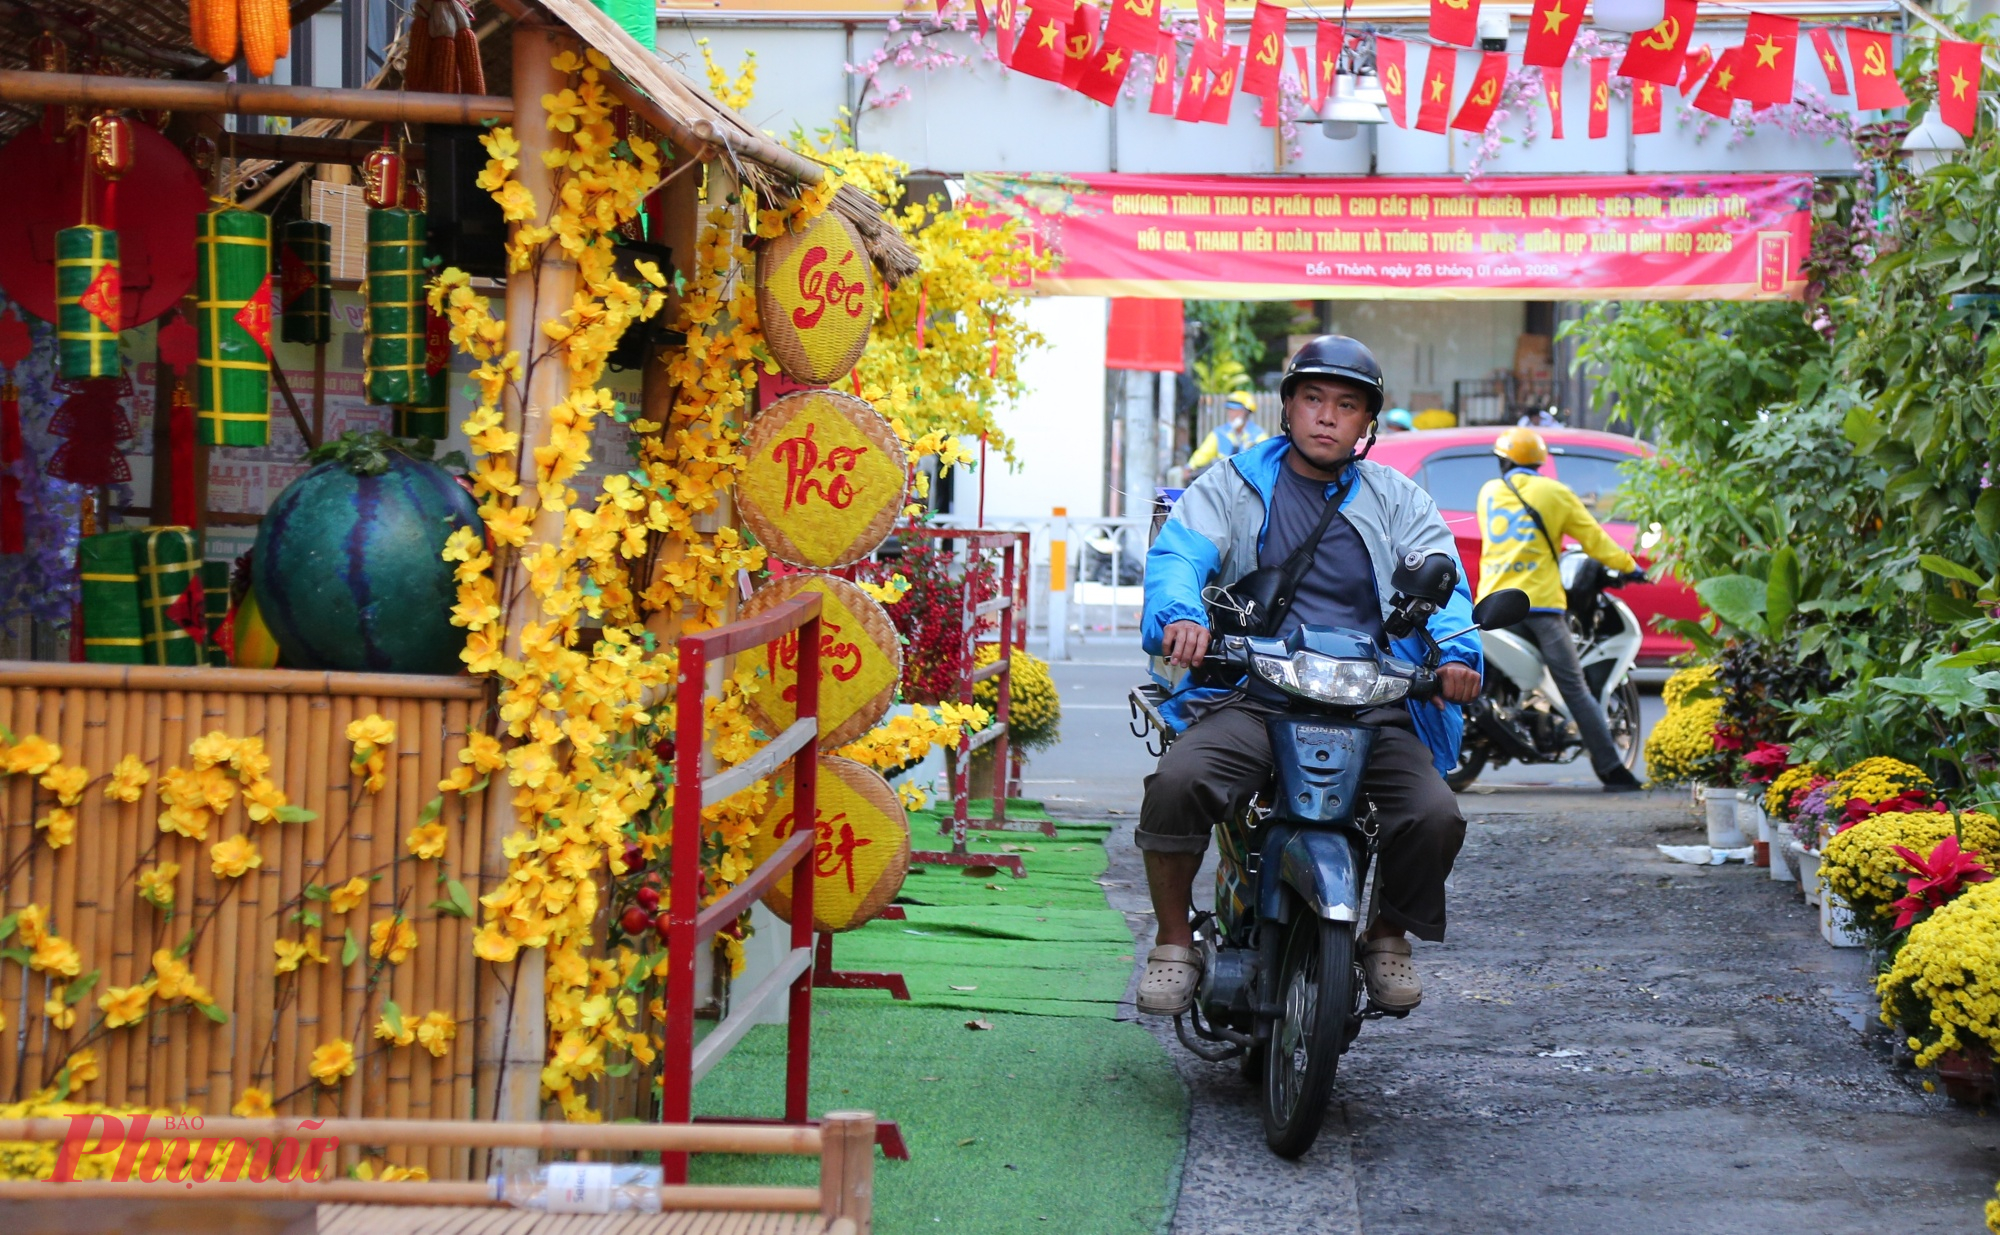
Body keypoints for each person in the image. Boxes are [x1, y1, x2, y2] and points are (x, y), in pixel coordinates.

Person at [1135, 336, 1484, 1018]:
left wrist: (1455, 654)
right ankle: (1174, 941)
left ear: (1367, 423)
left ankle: (1387, 933)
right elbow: (1179, 556)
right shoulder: (1232, 484)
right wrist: (1182, 617)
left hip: (1371, 705)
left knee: (1435, 815)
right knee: (1178, 782)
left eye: (1346, 405)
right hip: (1256, 696)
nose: (1327, 416)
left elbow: (1445, 585)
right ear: (1288, 407)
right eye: (1314, 399)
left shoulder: (1399, 499)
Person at [1474, 427, 1645, 792]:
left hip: (1493, 603)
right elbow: (1595, 540)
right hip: (1539, 606)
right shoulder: (1554, 492)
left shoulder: (1488, 491)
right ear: (1538, 462)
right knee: (1574, 688)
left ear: (1503, 461)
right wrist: (1630, 566)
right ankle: (1612, 770)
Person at [1185, 392, 1270, 471]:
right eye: (1230, 410)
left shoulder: (1258, 435)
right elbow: (1203, 454)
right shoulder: (1219, 433)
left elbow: (1268, 460)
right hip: (1223, 477)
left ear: (1247, 412)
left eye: (1236, 410)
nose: (1232, 414)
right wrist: (1189, 467)